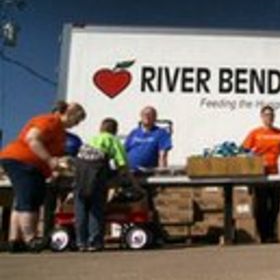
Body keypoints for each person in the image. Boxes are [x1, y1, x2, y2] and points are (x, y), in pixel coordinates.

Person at [0, 102, 86, 252]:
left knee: (22, 200)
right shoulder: (49, 121)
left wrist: (60, 166)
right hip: (23, 160)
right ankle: (30, 239)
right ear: (69, 113)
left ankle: (15, 240)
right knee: (29, 198)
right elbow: (32, 139)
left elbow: (57, 156)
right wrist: (49, 160)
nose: (76, 124)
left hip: (29, 164)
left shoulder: (61, 133)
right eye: (77, 120)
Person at [73, 118, 141, 252]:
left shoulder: (91, 140)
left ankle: (81, 242)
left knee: (81, 210)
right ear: (115, 130)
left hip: (80, 177)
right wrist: (132, 184)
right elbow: (122, 165)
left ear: (101, 128)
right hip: (97, 177)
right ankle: (95, 242)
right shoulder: (112, 140)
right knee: (95, 209)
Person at [243, 105, 280, 243]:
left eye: (271, 115)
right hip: (261, 174)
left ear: (274, 117)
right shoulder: (255, 133)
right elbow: (244, 151)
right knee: (262, 205)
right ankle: (264, 235)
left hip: (276, 174)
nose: (268, 117)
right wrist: (253, 157)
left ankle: (271, 232)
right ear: (262, 117)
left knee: (276, 205)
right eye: (266, 115)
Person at [124, 106, 173, 171]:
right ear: (141, 117)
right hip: (130, 171)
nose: (147, 116)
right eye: (144, 114)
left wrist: (162, 172)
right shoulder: (134, 132)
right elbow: (124, 151)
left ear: (155, 117)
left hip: (148, 172)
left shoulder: (161, 133)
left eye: (150, 114)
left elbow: (163, 155)